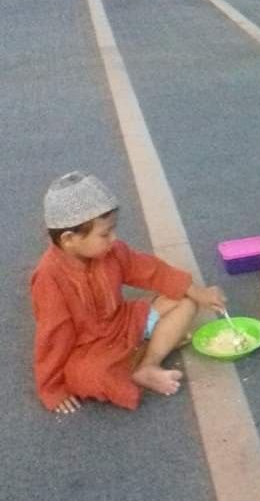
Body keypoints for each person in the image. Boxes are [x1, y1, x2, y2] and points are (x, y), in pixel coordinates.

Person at [31, 171, 226, 415]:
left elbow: (153, 272)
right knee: (87, 375)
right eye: (105, 234)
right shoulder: (48, 277)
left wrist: (199, 293)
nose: (114, 238)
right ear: (69, 239)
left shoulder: (112, 251)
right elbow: (54, 334)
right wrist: (51, 388)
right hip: (89, 348)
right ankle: (151, 348)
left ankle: (147, 365)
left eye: (113, 230)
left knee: (185, 302)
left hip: (125, 322)